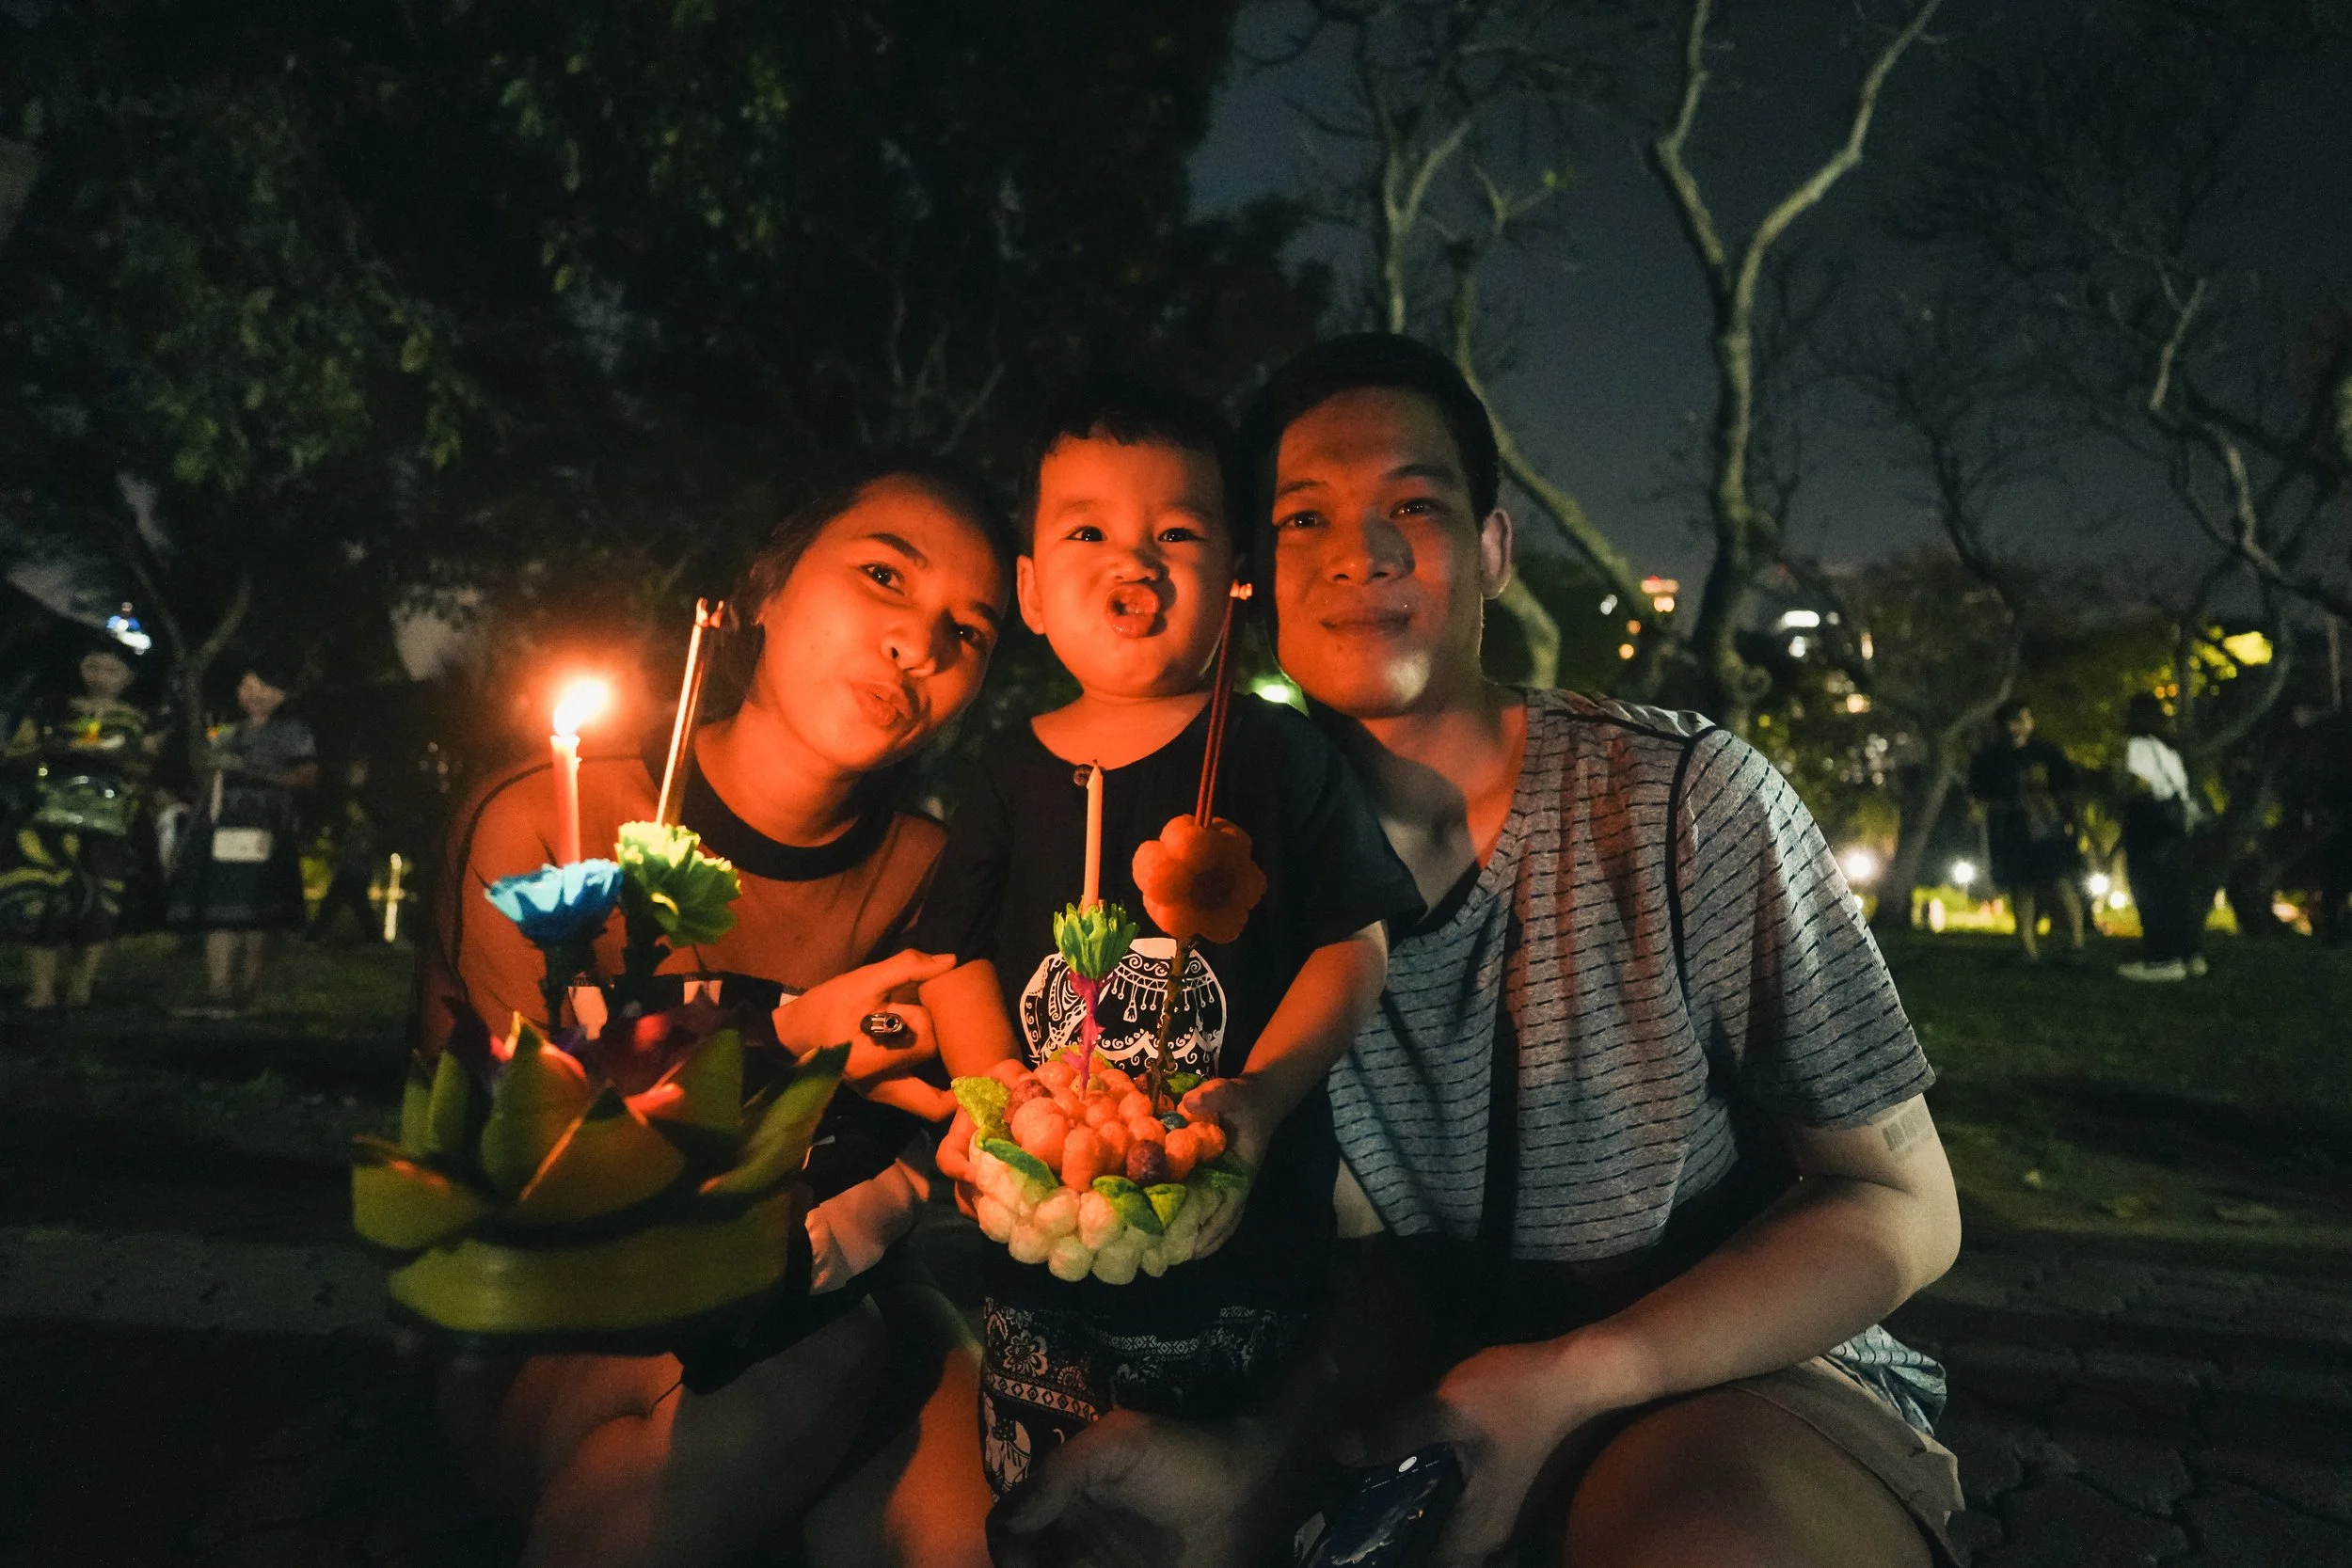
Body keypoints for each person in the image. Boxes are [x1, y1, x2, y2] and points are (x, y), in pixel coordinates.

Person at [993, 334, 1965, 1568]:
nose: (1364, 547)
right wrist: (1243, 1459)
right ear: (1254, 579)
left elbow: (1903, 1199)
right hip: (1390, 1407)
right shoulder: (1207, 887)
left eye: (1416, 502)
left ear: (1495, 548)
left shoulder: (1678, 801)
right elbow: (1331, 1273)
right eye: (1305, 517)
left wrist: (1577, 1375)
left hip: (1728, 1371)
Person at [419, 456, 1010, 1568]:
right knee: (811, 1359)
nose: (919, 643)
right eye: (884, 575)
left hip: (842, 1288)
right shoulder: (554, 820)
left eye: (968, 631)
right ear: (764, 589)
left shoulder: (936, 878)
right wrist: (792, 1041)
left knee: (979, 1500)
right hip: (566, 1318)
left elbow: (938, 1137)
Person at [915, 382, 1419, 1500]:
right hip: (1043, 1270)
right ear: (1032, 591)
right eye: (1086, 531)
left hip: (1248, 1262)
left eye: (1177, 533)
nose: (1132, 563)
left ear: (1236, 579)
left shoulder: (1277, 757)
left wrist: (1265, 1092)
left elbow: (1357, 944)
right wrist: (989, 1089)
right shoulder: (1007, 770)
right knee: (1046, 1513)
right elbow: (952, 956)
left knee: (1222, 1517)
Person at [2, 641, 156, 1008]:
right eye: (93, 667)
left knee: (100, 900)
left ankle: (82, 986)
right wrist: (48, 751)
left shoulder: (139, 719)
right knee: (45, 898)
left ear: (129, 677)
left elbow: (148, 767)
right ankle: (41, 988)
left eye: (111, 670)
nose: (100, 677)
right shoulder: (52, 710)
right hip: (49, 817)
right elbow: (12, 754)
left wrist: (117, 759)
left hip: (109, 821)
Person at [164, 663, 320, 1014]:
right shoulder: (225, 731)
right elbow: (204, 781)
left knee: (259, 913)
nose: (255, 695)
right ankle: (217, 991)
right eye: (247, 686)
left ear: (283, 695)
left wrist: (249, 770)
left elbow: (307, 776)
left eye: (265, 687)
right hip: (221, 823)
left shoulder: (293, 732)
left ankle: (251, 995)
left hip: (265, 822)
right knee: (218, 909)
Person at [1965, 699, 2086, 962]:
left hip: (2046, 826)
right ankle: (2027, 948)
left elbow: (2066, 787)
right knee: (2021, 886)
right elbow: (1977, 795)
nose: (2019, 726)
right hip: (2011, 828)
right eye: (2014, 720)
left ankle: (2078, 943)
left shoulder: (2046, 753)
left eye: (2023, 719)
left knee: (2061, 881)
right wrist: (1981, 811)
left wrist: (2072, 822)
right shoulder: (1990, 759)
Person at [2116, 693, 2205, 983]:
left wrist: (2120, 788)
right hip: (2173, 825)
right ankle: (2190, 954)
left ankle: (2162, 959)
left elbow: (2140, 785)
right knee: (2175, 891)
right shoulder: (2168, 750)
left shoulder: (2139, 746)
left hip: (2147, 823)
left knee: (2149, 891)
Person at [308, 756, 385, 943]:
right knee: (353, 901)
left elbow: (368, 827)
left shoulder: (366, 798)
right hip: (351, 859)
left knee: (341, 899)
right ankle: (374, 939)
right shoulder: (350, 795)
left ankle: (315, 935)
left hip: (357, 861)